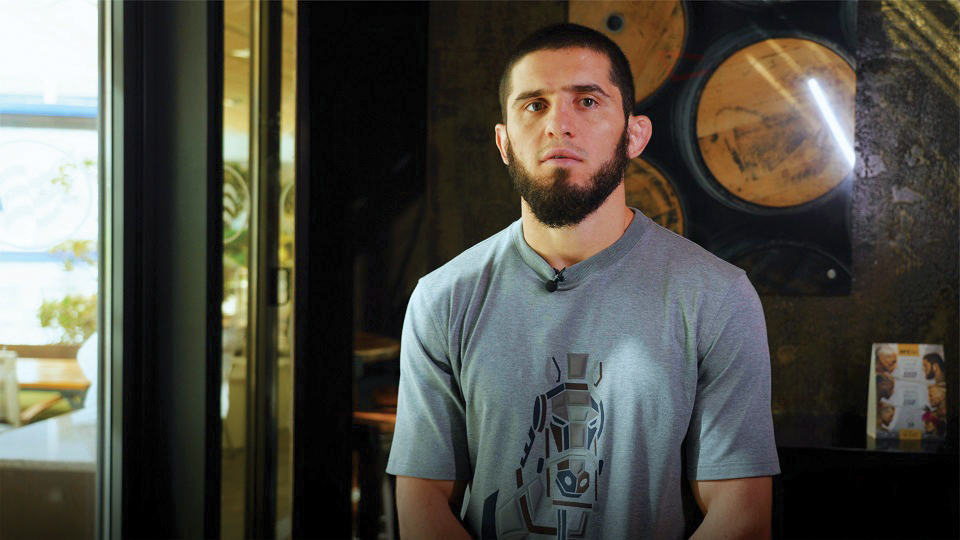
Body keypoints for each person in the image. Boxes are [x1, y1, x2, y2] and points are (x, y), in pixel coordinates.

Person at [387, 23, 780, 539]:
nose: (558, 125)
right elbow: (422, 502)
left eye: (587, 102)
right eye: (535, 105)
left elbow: (741, 512)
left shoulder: (717, 296)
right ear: (504, 142)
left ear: (634, 135)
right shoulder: (443, 298)